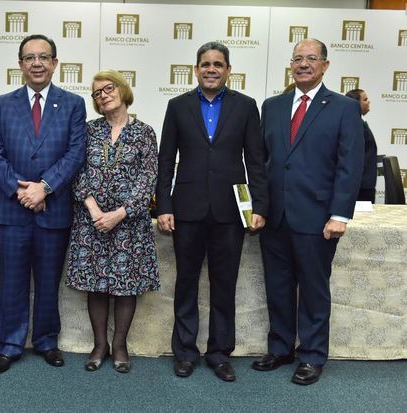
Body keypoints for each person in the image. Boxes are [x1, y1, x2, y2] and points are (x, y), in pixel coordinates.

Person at [252, 39, 363, 385]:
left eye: (311, 59)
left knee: (314, 290)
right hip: (275, 217)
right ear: (290, 65)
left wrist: (340, 214)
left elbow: (350, 164)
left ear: (325, 66)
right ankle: (281, 347)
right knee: (278, 286)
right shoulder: (272, 105)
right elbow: (261, 162)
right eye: (298, 59)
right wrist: (258, 207)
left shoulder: (344, 107)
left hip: (317, 218)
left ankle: (312, 355)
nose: (303, 64)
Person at [156, 41, 268, 382]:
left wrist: (259, 207)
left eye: (218, 64)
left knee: (224, 285)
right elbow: (165, 162)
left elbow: (256, 161)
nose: (211, 69)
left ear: (228, 70)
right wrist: (164, 206)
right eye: (205, 64)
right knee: (186, 283)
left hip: (230, 213)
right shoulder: (177, 106)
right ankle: (185, 352)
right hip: (187, 210)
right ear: (196, 69)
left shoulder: (246, 107)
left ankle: (220, 353)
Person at [0, 34, 87, 374]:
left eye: (44, 57)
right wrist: (21, 190)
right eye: (30, 57)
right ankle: (9, 345)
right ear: (20, 65)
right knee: (11, 280)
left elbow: (75, 153)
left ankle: (46, 340)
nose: (37, 63)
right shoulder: (2, 103)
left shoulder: (73, 104)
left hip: (53, 208)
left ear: (55, 63)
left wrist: (44, 188)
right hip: (12, 210)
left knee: (48, 280)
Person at [66, 70, 160, 373]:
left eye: (108, 88)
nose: (103, 95)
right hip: (91, 222)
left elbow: (148, 179)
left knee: (125, 286)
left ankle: (120, 345)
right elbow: (75, 171)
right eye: (96, 93)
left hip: (129, 224)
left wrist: (120, 213)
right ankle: (99, 345)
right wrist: (94, 211)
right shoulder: (87, 130)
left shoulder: (145, 132)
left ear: (122, 90)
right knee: (96, 285)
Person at [346, 88, 378, 203]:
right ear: (355, 104)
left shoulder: (357, 123)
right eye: (365, 99)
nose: (368, 102)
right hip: (360, 187)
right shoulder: (354, 125)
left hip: (364, 184)